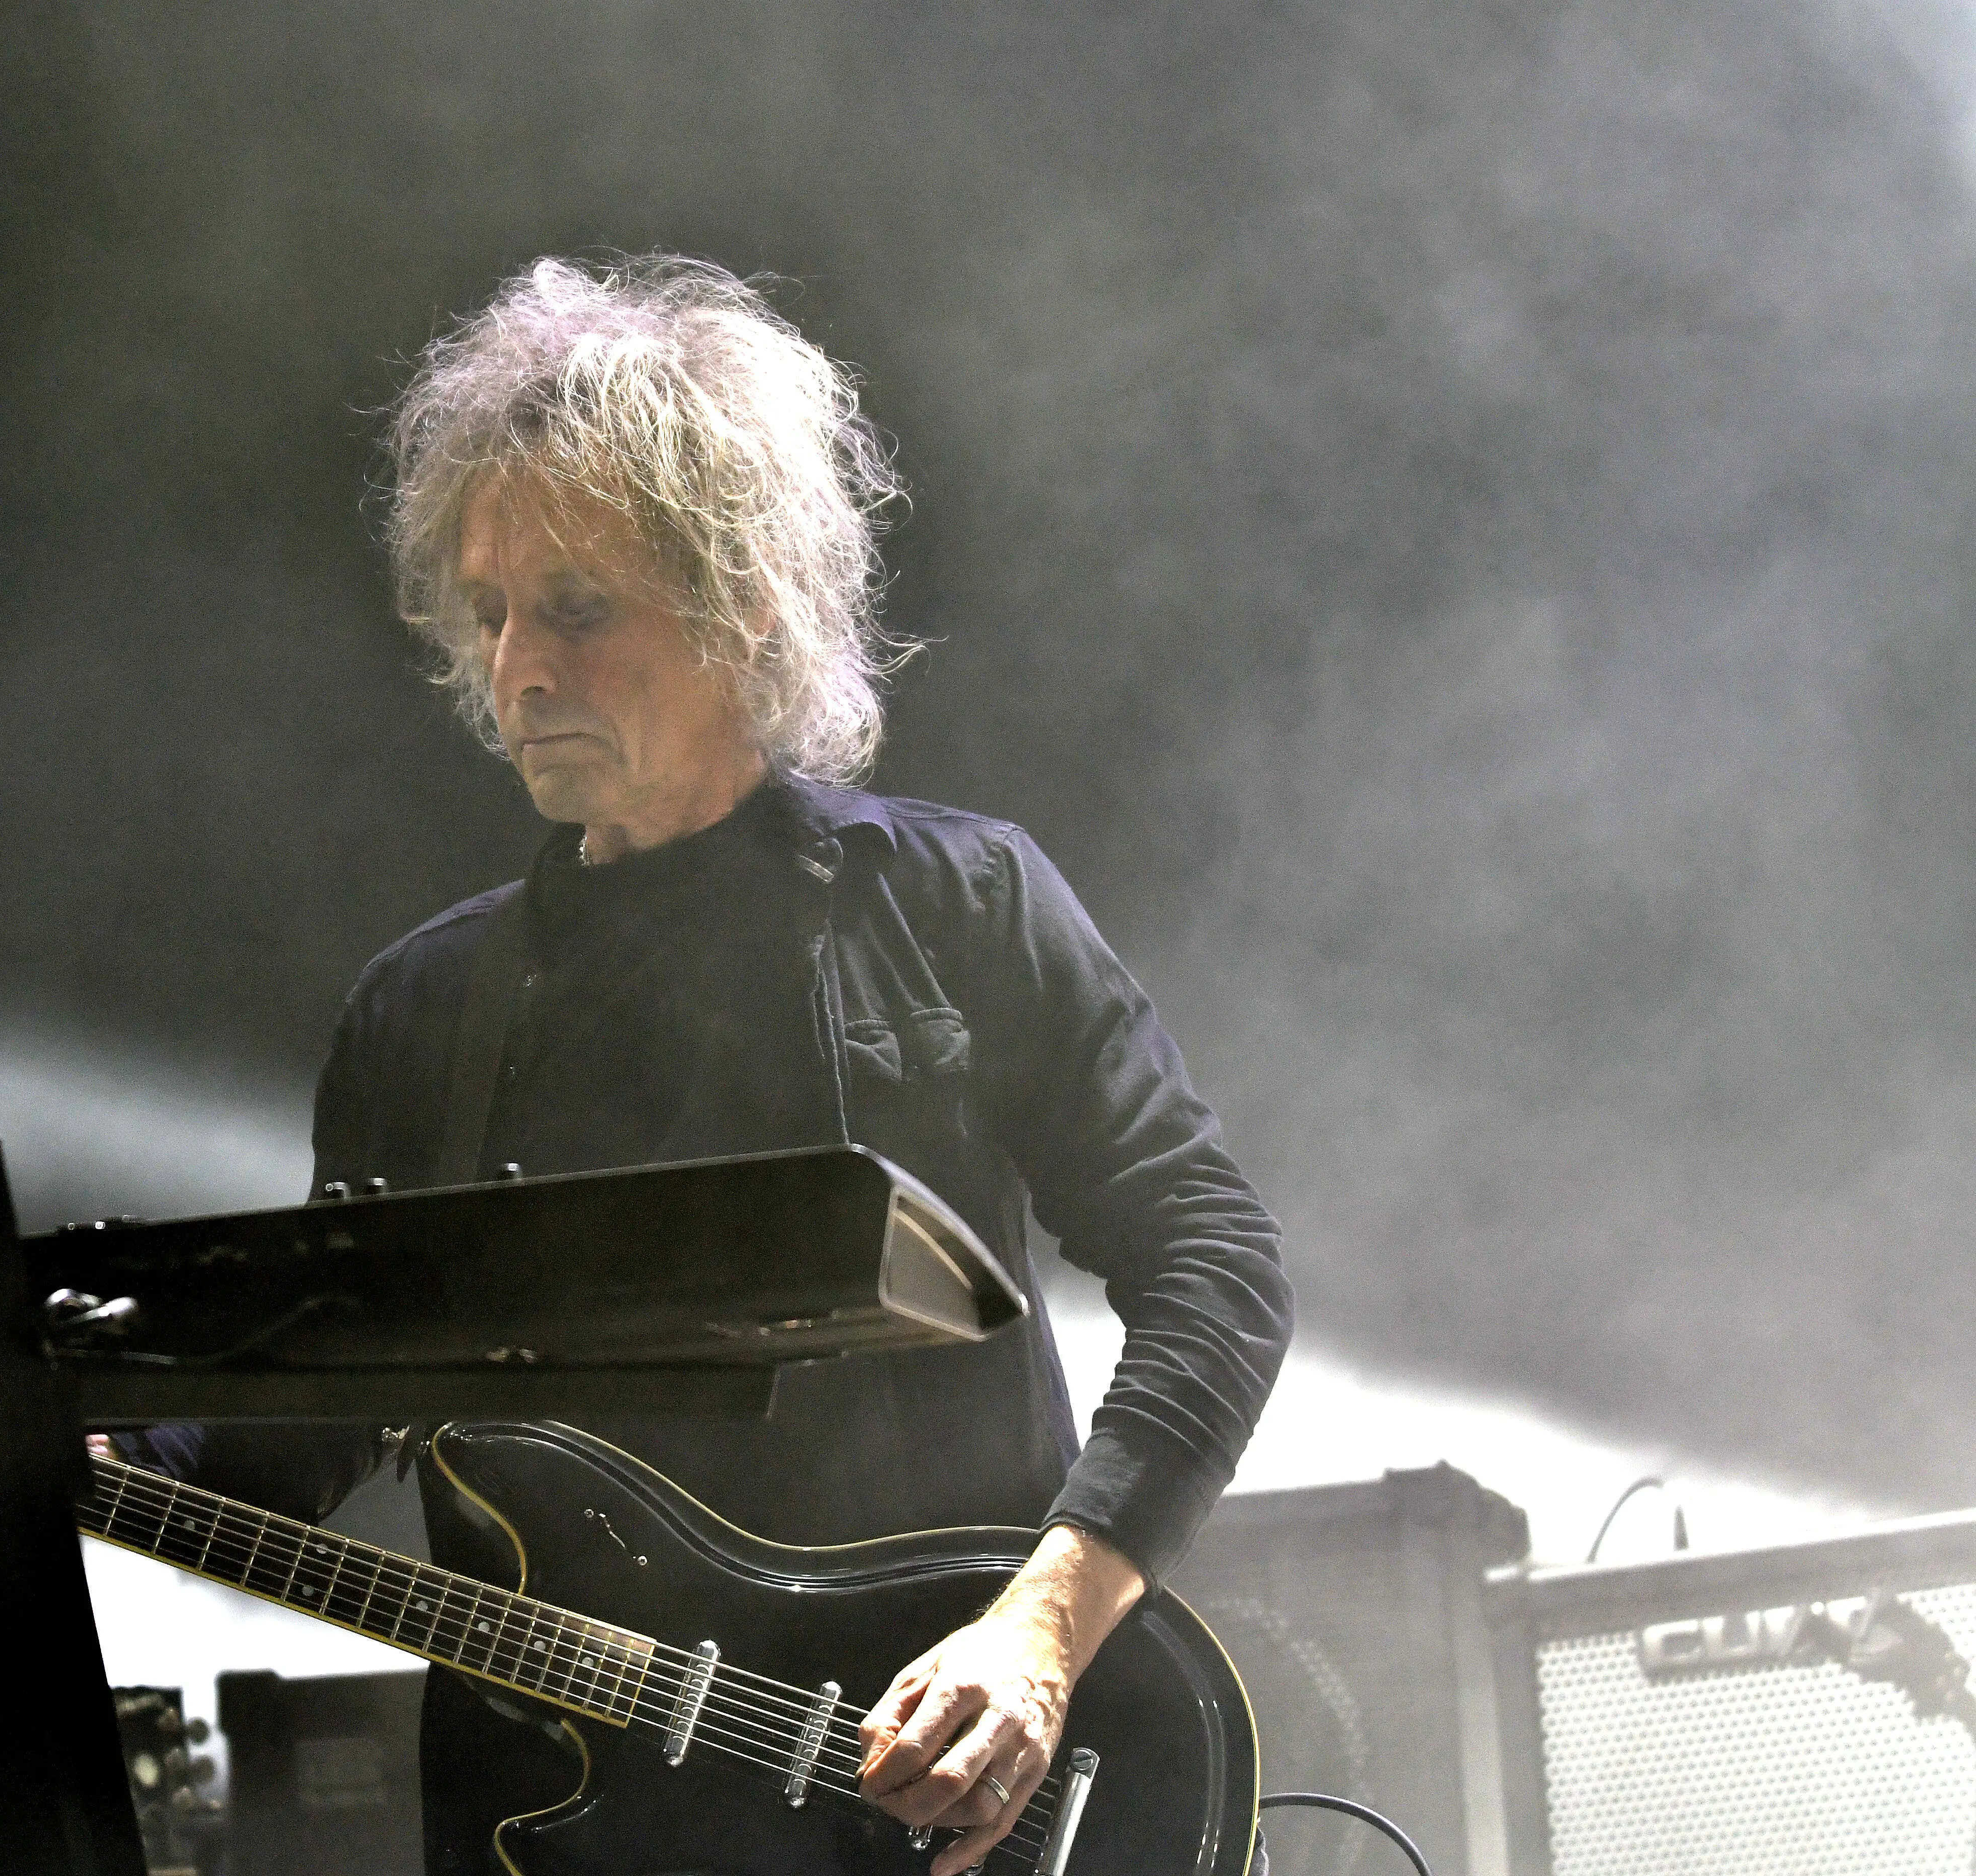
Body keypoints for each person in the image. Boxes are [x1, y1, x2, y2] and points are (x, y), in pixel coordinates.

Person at [123, 255, 1291, 1876]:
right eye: (489, 613)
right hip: (556, 1832)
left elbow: (1216, 1264)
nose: (518, 669)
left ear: (748, 595)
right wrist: (94, 1451)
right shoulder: (426, 1016)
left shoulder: (958, 908)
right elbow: (317, 1409)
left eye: (579, 609)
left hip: (953, 1806)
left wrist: (1040, 1632)